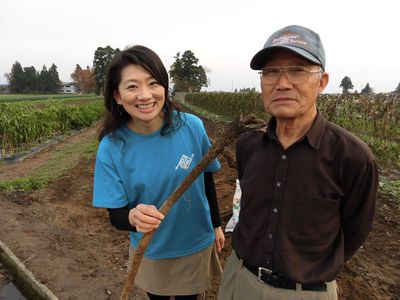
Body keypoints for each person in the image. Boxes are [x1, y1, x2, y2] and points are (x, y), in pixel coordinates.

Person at [218, 25, 378, 300]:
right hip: (239, 281)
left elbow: (355, 231)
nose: (282, 83)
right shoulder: (248, 145)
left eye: (297, 70)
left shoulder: (352, 158)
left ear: (322, 82)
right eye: (270, 72)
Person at [92, 45, 225, 300]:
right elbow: (116, 215)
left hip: (195, 244)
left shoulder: (192, 127)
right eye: (132, 87)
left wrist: (216, 224)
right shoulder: (111, 147)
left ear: (164, 87)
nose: (145, 95)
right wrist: (132, 216)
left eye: (153, 83)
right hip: (151, 249)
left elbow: (205, 178)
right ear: (117, 96)